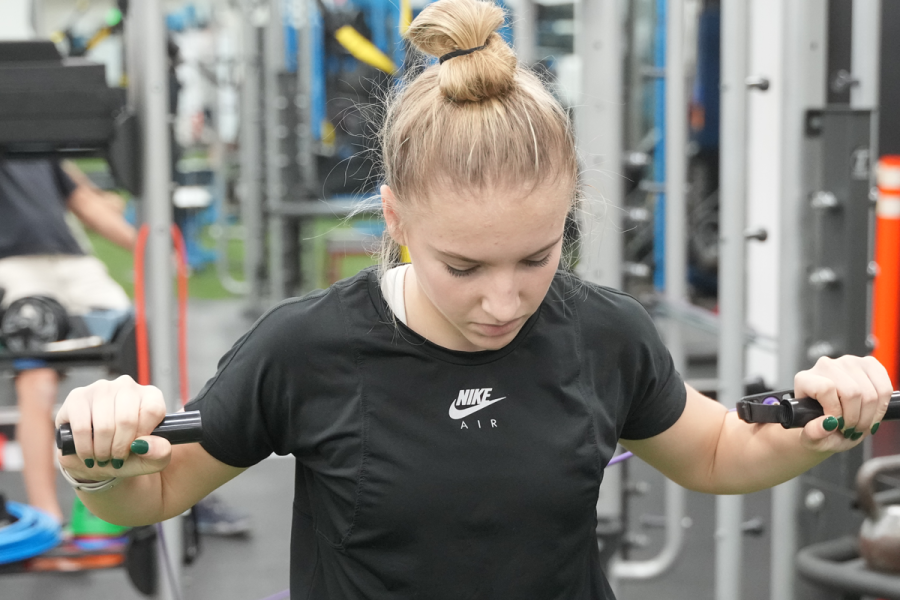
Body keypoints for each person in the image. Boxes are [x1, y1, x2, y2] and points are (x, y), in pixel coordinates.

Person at [55, 0, 892, 598]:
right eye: (463, 266)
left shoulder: (604, 332)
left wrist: (827, 426)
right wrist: (99, 457)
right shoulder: (304, 348)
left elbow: (715, 454)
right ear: (397, 217)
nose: (504, 299)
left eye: (538, 255)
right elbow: (153, 493)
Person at [0, 158, 135, 523]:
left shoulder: (42, 140)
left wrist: (147, 246)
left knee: (141, 349)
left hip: (73, 262)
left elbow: (85, 203)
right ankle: (47, 518)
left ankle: (167, 498)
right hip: (13, 264)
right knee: (38, 379)